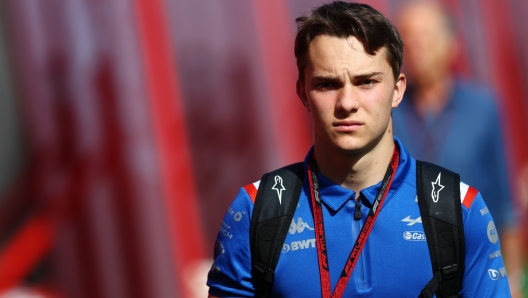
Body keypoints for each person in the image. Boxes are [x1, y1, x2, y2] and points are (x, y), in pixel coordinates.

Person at [207, 1, 511, 297]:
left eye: (366, 82)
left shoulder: (460, 209)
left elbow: (508, 209)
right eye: (327, 84)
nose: (347, 103)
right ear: (302, 92)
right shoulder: (256, 211)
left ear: (397, 90)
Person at [393, 1, 524, 296]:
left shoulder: (483, 108)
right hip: (410, 273)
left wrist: (512, 278)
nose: (416, 47)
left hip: (474, 268)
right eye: (408, 39)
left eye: (425, 37)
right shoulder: (389, 113)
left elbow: (505, 203)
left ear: (451, 43)